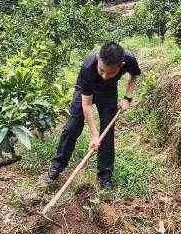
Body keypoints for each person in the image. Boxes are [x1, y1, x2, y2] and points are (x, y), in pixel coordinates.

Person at [48, 42, 141, 189]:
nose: (104, 76)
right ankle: (57, 165)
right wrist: (94, 134)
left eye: (110, 73)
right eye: (102, 70)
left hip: (109, 92)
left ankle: (105, 175)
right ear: (98, 59)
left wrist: (127, 98)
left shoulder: (129, 59)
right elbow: (86, 105)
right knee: (72, 126)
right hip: (85, 90)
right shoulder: (88, 67)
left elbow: (134, 75)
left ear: (121, 65)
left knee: (107, 132)